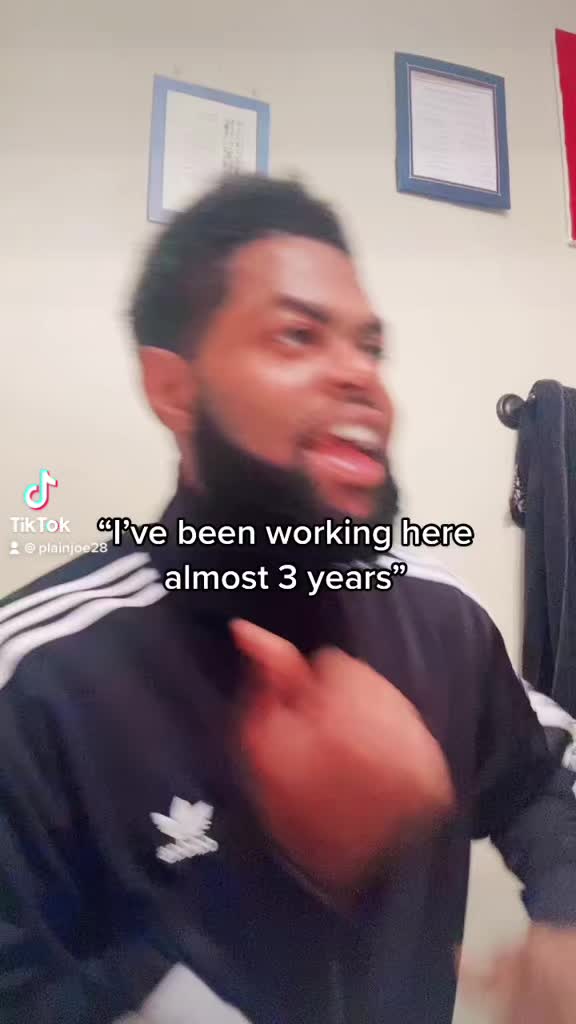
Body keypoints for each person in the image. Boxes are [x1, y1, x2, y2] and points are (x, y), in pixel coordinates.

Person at [1, 175, 575, 1024]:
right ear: (173, 389)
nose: (360, 378)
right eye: (298, 336)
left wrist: (567, 922)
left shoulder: (444, 619)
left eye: (370, 347)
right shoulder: (35, 681)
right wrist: (290, 864)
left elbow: (541, 782)